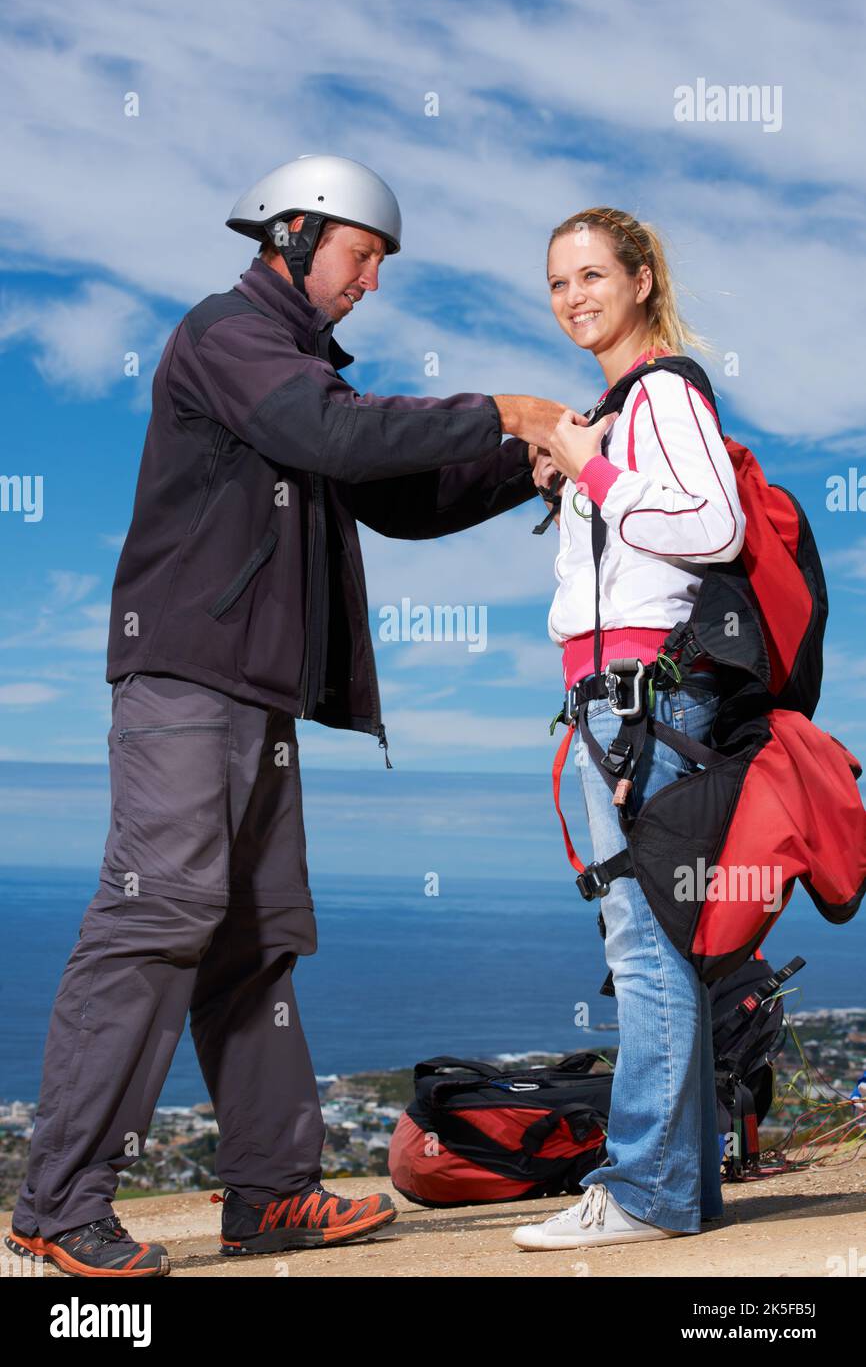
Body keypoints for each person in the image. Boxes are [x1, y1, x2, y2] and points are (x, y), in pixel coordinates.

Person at [6, 156, 612, 1278]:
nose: (371, 281)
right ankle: (56, 1204)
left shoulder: (301, 375)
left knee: (255, 943)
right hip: (186, 683)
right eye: (361, 256)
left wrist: (520, 467)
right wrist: (504, 407)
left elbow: (392, 495)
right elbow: (339, 436)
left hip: (257, 695)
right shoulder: (227, 337)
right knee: (156, 918)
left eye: (378, 265)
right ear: (294, 233)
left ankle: (271, 1195)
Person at [513, 207, 746, 1250]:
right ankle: (678, 1190)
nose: (573, 297)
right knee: (659, 948)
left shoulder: (659, 389)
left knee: (645, 950)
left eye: (593, 275)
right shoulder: (623, 407)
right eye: (558, 282)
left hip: (638, 704)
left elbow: (712, 523)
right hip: (619, 702)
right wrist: (579, 476)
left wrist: (593, 468)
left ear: (642, 279)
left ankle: (642, 1190)